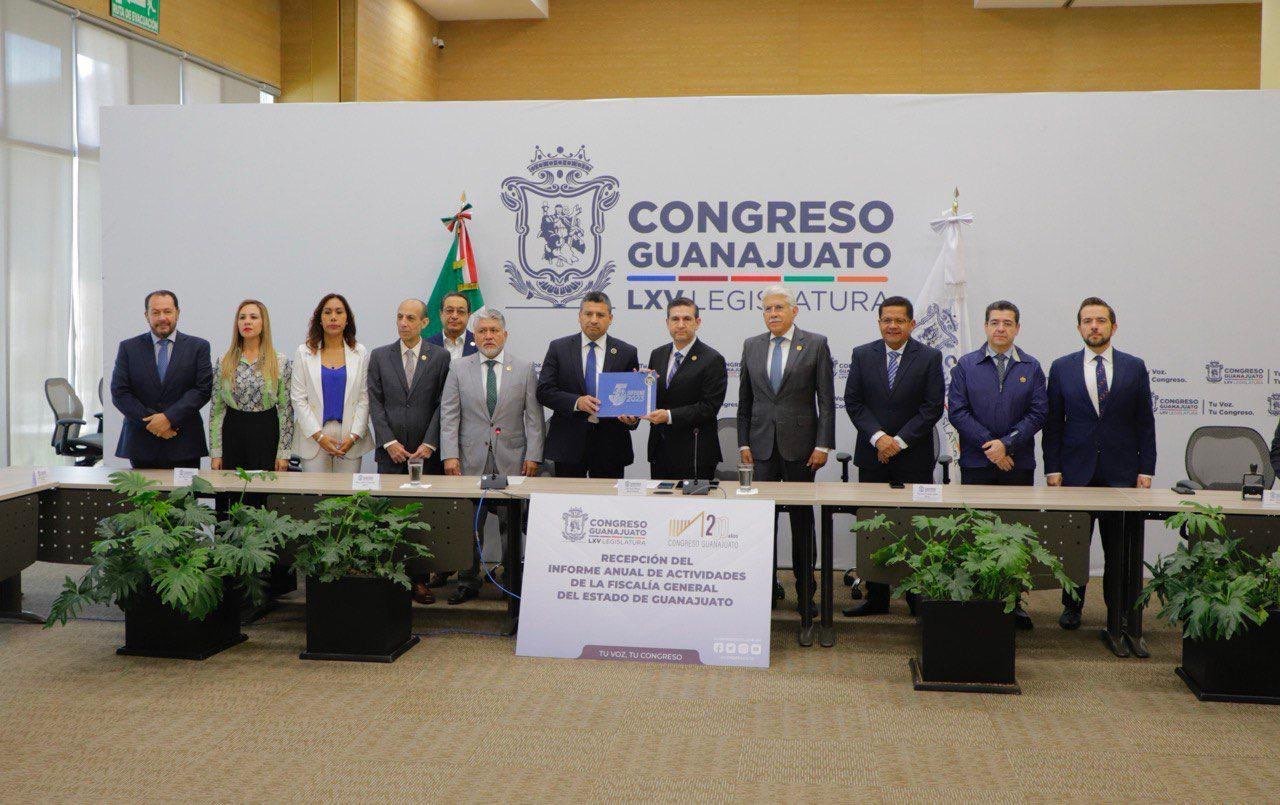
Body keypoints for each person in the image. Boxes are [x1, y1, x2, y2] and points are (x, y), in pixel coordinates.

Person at [1044, 296, 1155, 633]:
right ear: (1079, 327)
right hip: (1075, 474)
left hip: (1121, 475)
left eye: (1101, 320)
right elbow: (1053, 424)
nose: (1094, 326)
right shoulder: (1061, 367)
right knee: (1075, 547)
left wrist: (1145, 470)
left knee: (1118, 549)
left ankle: (1118, 611)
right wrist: (1052, 469)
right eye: (1088, 321)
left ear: (1113, 326)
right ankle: (1072, 607)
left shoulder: (1134, 366)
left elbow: (1144, 423)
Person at [842, 295, 944, 617]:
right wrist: (879, 438)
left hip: (913, 458)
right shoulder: (862, 355)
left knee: (913, 528)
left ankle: (915, 596)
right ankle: (877, 598)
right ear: (879, 322)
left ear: (911, 324)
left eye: (900, 320)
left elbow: (931, 409)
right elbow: (854, 402)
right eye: (887, 319)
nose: (893, 325)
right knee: (875, 528)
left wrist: (898, 441)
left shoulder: (930, 357)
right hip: (873, 457)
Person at [947, 299, 1046, 629]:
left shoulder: (1031, 367)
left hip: (1018, 464)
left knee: (1013, 536)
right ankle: (977, 600)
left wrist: (1007, 444)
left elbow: (1038, 413)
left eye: (1007, 323)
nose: (1000, 328)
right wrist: (991, 446)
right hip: (977, 463)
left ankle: (1012, 603)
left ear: (1017, 328)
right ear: (985, 326)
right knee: (977, 533)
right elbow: (958, 412)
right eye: (994, 322)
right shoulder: (966, 365)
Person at [737, 284, 835, 617]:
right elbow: (745, 401)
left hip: (801, 449)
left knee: (801, 522)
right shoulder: (751, 345)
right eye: (767, 309)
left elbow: (827, 401)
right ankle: (765, 592)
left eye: (779, 308)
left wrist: (823, 445)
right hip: (761, 448)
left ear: (794, 311)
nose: (773, 314)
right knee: (762, 523)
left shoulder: (816, 344)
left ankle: (807, 594)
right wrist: (744, 442)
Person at [440, 307, 544, 604]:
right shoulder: (458, 368)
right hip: (469, 458)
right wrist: (449, 455)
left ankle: (512, 579)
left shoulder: (524, 368)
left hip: (513, 457)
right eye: (482, 331)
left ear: (505, 335)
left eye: (494, 331)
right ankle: (468, 580)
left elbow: (534, 418)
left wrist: (534, 455)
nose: (488, 336)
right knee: (470, 522)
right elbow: (449, 415)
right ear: (474, 336)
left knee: (510, 523)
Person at [537, 291, 639, 478]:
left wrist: (633, 419)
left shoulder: (627, 352)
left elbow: (632, 399)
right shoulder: (558, 348)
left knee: (608, 505)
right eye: (588, 314)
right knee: (568, 505)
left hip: (611, 446)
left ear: (610, 318)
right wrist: (577, 402)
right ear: (579, 316)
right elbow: (544, 391)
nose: (593, 320)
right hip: (568, 444)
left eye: (600, 315)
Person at [111, 290, 212, 469]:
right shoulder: (129, 348)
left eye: (167, 311)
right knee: (144, 497)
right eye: (155, 312)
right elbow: (120, 393)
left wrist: (169, 418)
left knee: (185, 497)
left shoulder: (198, 347)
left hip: (184, 442)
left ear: (177, 313)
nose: (162, 318)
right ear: (146, 315)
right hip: (141, 443)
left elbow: (202, 389)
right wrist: (154, 423)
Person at [643, 298, 727, 481]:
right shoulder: (657, 355)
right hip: (660, 451)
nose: (680, 325)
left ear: (697, 323)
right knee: (659, 508)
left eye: (687, 319)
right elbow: (653, 400)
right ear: (667, 323)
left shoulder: (712, 359)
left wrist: (669, 415)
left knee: (696, 509)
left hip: (695, 453)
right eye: (675, 319)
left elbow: (709, 407)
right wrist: (638, 395)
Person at [367, 299, 451, 477]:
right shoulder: (379, 356)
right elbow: (375, 403)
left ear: (424, 322)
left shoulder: (440, 356)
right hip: (390, 455)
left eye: (410, 318)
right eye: (400, 317)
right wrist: (389, 442)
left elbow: (443, 404)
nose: (403, 323)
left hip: (427, 456)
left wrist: (429, 444)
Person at [209, 300, 293, 474]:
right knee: (232, 494)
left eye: (253, 317)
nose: (247, 322)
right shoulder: (224, 361)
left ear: (264, 323)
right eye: (242, 318)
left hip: (266, 432)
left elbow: (286, 410)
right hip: (232, 432)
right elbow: (217, 410)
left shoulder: (279, 362)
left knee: (263, 495)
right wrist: (216, 453)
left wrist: (283, 453)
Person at [290, 293, 372, 473]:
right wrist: (319, 436)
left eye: (339, 312)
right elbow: (298, 398)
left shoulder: (360, 352)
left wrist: (353, 436)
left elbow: (364, 398)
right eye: (327, 312)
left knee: (347, 498)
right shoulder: (303, 352)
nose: (333, 317)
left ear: (347, 319)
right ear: (319, 319)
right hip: (314, 436)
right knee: (316, 497)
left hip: (349, 438)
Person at [425, 291, 477, 362]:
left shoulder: (479, 344)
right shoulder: (426, 346)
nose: (454, 316)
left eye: (461, 311)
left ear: (468, 315)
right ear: (441, 314)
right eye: (449, 310)